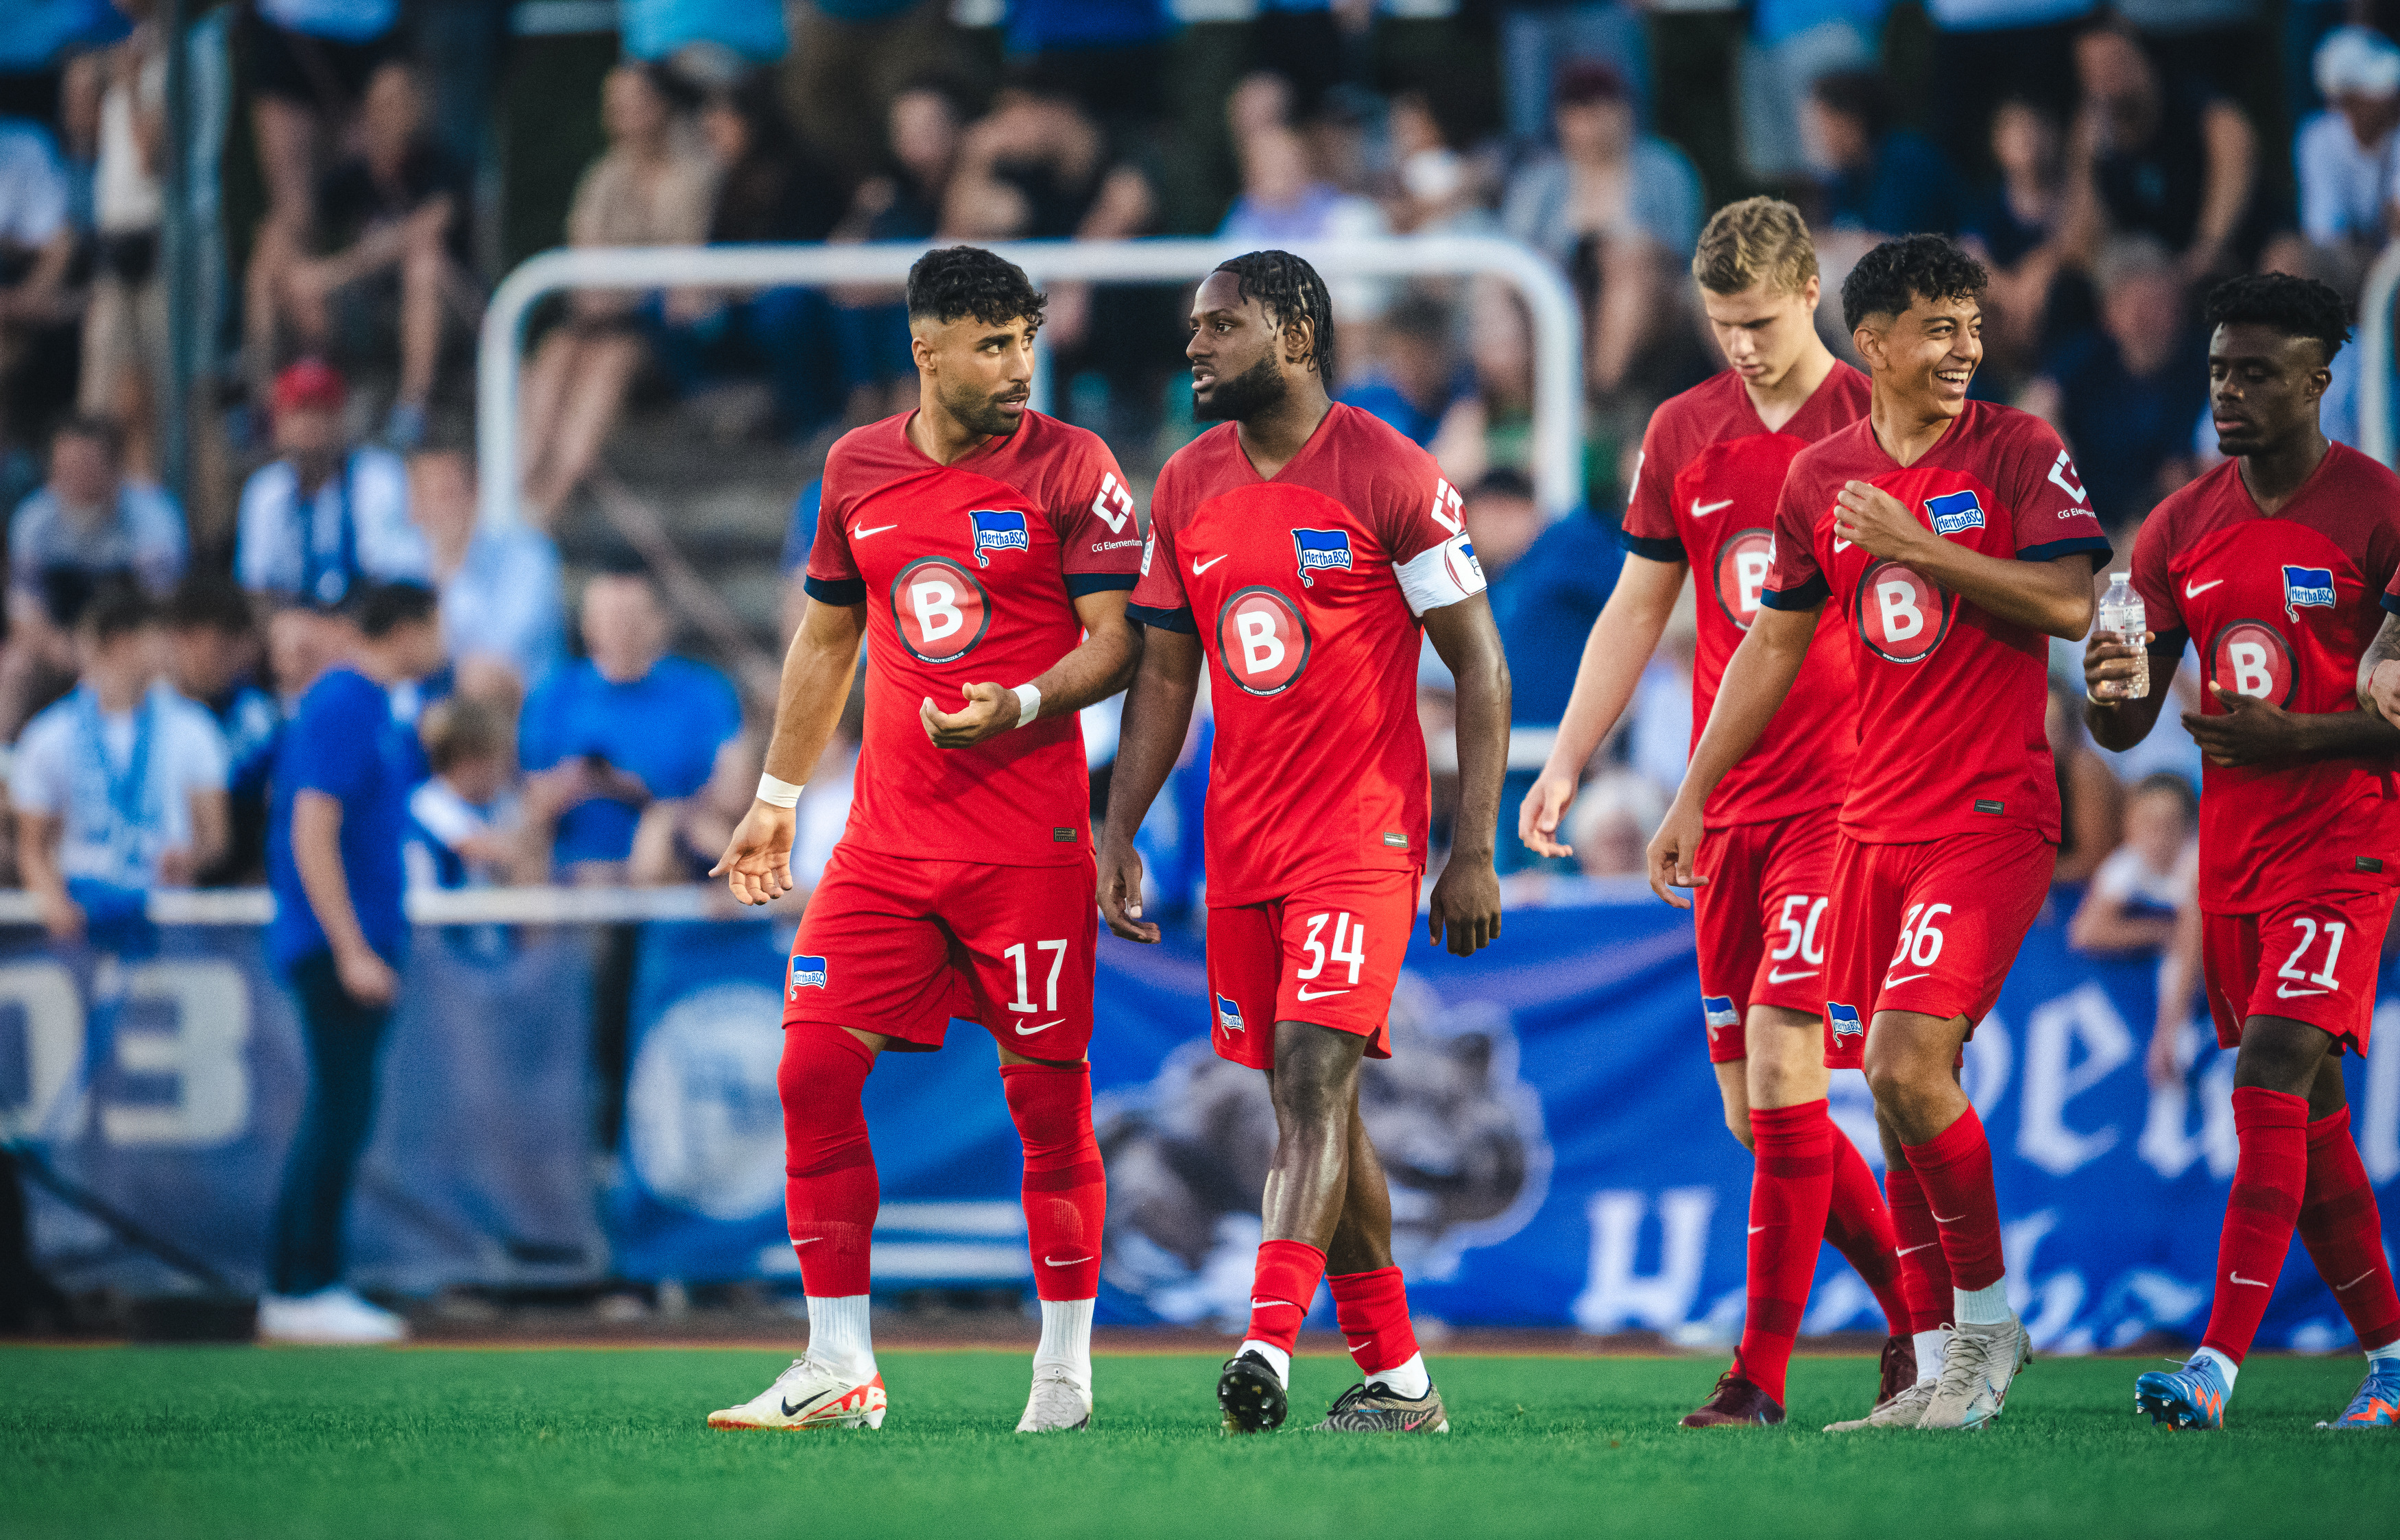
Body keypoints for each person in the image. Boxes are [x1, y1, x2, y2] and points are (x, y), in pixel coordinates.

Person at [1649, 234, 2111, 1431]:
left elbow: (2070, 602)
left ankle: (1985, 1330)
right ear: (1877, 344)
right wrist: (1695, 791)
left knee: (1906, 1066)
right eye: (1940, 327)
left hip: (1992, 813)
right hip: (1872, 827)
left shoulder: (2019, 451)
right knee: (1896, 1103)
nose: (1966, 348)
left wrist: (1920, 546)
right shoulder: (1823, 481)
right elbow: (1775, 640)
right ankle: (1931, 1363)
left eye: (1973, 324)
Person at [704, 245, 1144, 1434]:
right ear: (927, 346)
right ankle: (838, 1361)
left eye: (1025, 342)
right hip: (890, 847)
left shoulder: (1075, 466)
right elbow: (826, 639)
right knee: (810, 1066)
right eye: (992, 344)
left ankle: (1063, 1371)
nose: (1016, 367)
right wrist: (779, 794)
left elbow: (1119, 641)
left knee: (1048, 1106)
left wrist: (1020, 704)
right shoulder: (857, 468)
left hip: (1028, 847)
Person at [1099, 250, 1511, 1435]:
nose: (1195, 346)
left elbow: (1479, 663)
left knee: (1310, 1078)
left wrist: (1470, 847)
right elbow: (1167, 671)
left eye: (1218, 326)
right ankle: (1399, 1383)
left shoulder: (1392, 471)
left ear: (1290, 330)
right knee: (1313, 1113)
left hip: (1362, 836)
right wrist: (1121, 826)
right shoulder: (1184, 485)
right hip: (1242, 848)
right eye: (1191, 328)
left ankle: (1265, 1346)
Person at [1521, 197, 1910, 1428]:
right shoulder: (1683, 430)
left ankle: (1758, 1376)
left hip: (1845, 799)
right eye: (1720, 323)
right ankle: (1924, 1315)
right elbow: (1638, 607)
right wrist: (1568, 757)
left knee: (1793, 1071)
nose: (1740, 345)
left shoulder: (1878, 419)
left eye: (1757, 319)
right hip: (1727, 801)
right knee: (1757, 1113)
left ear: (1810, 289)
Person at [2098, 274, 2400, 1431]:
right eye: (2221, 368)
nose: (2230, 391)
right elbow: (2128, 721)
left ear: (2321, 379)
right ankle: (2392, 1360)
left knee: (2270, 1064)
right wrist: (2111, 693)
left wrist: (2300, 736)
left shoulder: (2379, 514)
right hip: (2234, 859)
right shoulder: (2179, 525)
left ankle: (2212, 1368)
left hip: (2348, 841)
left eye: (2258, 372)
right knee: (2309, 1113)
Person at [258, 579, 443, 1345]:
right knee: (337, 1109)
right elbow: (312, 828)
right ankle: (302, 1281)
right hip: (336, 944)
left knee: (341, 1108)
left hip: (351, 939)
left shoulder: (368, 708)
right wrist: (349, 947)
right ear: (403, 628)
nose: (441, 644)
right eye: (434, 628)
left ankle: (305, 1280)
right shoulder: (344, 704)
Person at [514, 62, 716, 525]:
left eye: (632, 102)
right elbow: (584, 262)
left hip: (664, 334)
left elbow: (685, 281)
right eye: (614, 104)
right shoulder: (602, 176)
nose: (620, 113)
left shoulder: (693, 177)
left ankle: (546, 509)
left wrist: (618, 289)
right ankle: (518, 489)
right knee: (555, 351)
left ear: (660, 107)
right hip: (602, 323)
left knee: (608, 362)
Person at [242, 60, 477, 450]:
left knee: (424, 260)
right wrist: (288, 247)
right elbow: (301, 215)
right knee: (272, 242)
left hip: (445, 306)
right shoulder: (358, 173)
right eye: (381, 104)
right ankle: (267, 400)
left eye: (401, 102)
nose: (392, 114)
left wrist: (329, 274)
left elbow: (418, 233)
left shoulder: (446, 167)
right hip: (364, 304)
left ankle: (412, 410)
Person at [10, 583, 227, 943]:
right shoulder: (49, 735)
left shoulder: (194, 727)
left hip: (167, 917)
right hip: (82, 915)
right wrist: (53, 904)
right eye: (157, 636)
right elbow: (33, 846)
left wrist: (190, 859)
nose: (168, 648)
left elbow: (215, 837)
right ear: (122, 641)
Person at [516, 564, 739, 880]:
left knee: (662, 830)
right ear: (587, 625)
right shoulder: (552, 695)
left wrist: (645, 792)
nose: (621, 630)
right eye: (609, 618)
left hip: (674, 863)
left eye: (631, 618)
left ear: (660, 623)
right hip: (570, 863)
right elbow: (529, 790)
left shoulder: (705, 694)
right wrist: (576, 783)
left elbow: (729, 793)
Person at [1, 414, 186, 738]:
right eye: (62, 467)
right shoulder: (34, 521)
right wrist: (69, 650)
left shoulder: (154, 518)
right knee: (13, 668)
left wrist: (114, 654)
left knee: (171, 665)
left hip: (132, 642)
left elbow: (166, 610)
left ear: (115, 468)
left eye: (83, 467)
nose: (70, 478)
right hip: (58, 647)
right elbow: (23, 616)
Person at [2067, 19, 2261, 287]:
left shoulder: (2197, 107)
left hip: (2227, 249)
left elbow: (2236, 148)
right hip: (2149, 267)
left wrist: (2207, 247)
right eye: (2095, 70)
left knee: (2284, 267)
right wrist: (2087, 163)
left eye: (2116, 61)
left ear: (2144, 59)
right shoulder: (2092, 136)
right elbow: (2083, 245)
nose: (2107, 76)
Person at [235, 359, 429, 608]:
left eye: (323, 411)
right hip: (296, 627)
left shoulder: (382, 475)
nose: (311, 424)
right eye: (300, 412)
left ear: (342, 418)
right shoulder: (264, 490)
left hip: (370, 622)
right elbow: (255, 584)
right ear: (278, 423)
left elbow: (402, 571)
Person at [409, 446, 564, 695]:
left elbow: (506, 647)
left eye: (448, 495)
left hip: (524, 707)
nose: (440, 509)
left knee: (480, 679)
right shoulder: (401, 563)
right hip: (437, 704)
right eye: (427, 497)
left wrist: (452, 570)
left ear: (475, 496)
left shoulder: (528, 553)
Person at [162, 573, 281, 885]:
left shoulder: (260, 717)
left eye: (238, 645)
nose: (234, 657)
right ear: (181, 639)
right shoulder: (149, 718)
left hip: (249, 884)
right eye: (221, 645)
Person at [2294, 25, 2400, 256]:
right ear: (2346, 100)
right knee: (2286, 256)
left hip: (2388, 265)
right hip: (2350, 264)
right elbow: (2323, 233)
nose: (2392, 94)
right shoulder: (2318, 137)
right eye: (2378, 88)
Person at [2066, 771, 2195, 956]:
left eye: (2169, 826)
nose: (2157, 838)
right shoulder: (2126, 863)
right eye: (2147, 824)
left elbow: (2191, 946)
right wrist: (2162, 932)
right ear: (2129, 826)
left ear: (2189, 829)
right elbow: (2084, 932)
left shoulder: (2196, 865)